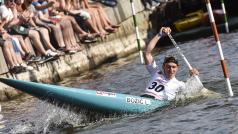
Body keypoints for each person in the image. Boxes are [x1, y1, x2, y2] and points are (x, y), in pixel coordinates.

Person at [142, 27, 199, 101]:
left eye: (173, 67)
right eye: (168, 67)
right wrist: (159, 35)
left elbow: (195, 92)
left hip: (157, 103)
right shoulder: (155, 72)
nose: (171, 69)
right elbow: (147, 53)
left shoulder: (180, 85)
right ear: (163, 66)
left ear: (177, 68)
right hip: (143, 98)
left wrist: (194, 77)